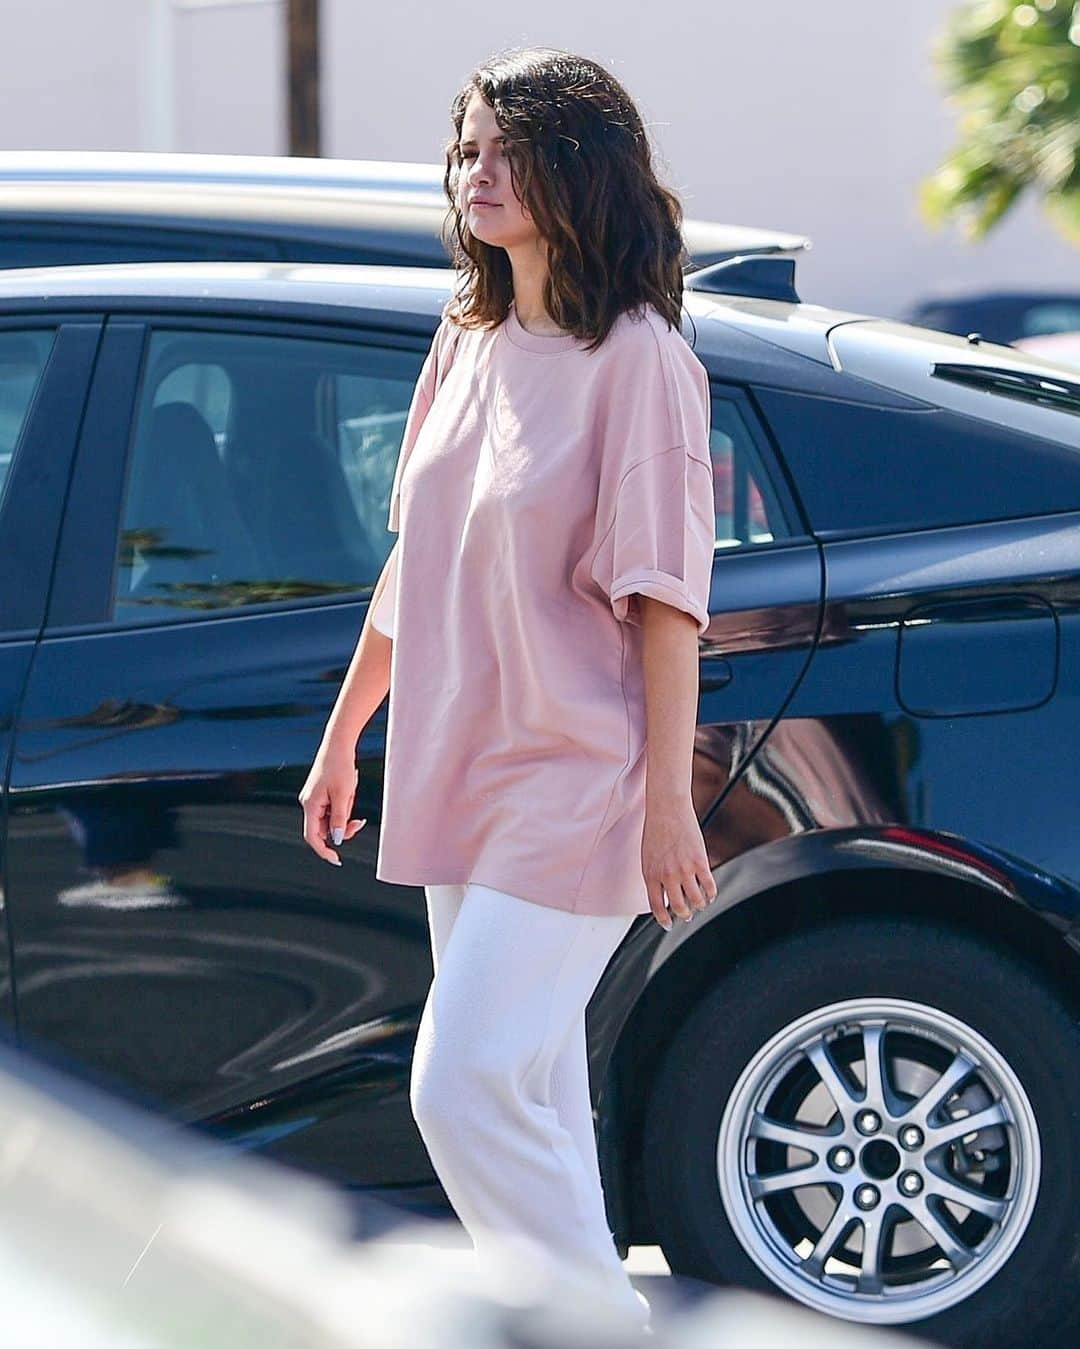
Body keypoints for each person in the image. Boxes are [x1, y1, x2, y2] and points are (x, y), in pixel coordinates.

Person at [299, 46, 718, 1338]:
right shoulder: (468, 334)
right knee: (527, 1090)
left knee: (463, 1085)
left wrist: (666, 804)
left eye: (501, 149)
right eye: (465, 148)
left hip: (575, 777)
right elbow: (416, 562)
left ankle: (595, 1323)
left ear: (575, 165)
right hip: (459, 757)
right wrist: (344, 734)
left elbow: (667, 602)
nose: (471, 172)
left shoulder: (639, 358)